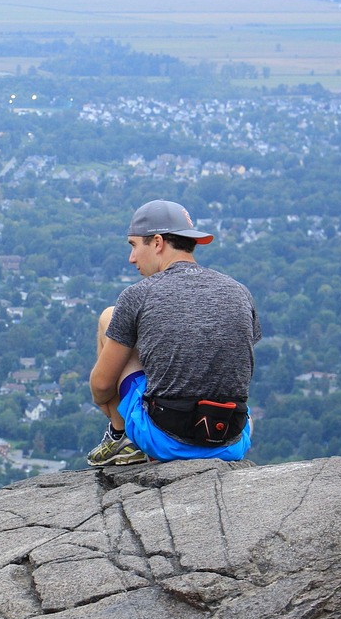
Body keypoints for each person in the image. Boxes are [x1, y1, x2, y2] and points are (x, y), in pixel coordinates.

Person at [86, 199, 260, 467]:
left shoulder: (137, 296)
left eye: (134, 245)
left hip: (164, 440)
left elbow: (101, 385)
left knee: (108, 317)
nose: (131, 258)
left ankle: (120, 437)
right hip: (231, 441)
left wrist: (106, 403)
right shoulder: (239, 291)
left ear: (157, 243)